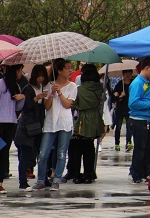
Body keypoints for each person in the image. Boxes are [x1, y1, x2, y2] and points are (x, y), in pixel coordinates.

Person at [34, 58, 76, 190]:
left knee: (61, 153)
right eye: (68, 68)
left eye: (71, 67)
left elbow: (68, 105)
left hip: (65, 123)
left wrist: (60, 92)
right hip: (50, 122)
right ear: (59, 71)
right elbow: (47, 106)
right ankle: (41, 180)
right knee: (43, 154)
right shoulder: (49, 85)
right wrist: (52, 93)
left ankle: (57, 179)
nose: (70, 70)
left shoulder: (73, 86)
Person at [0, 62, 25, 195]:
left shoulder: (16, 86)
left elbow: (17, 107)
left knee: (4, 155)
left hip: (10, 123)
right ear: (15, 70)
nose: (21, 73)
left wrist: (22, 98)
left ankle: (0, 183)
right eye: (20, 70)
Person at [127, 56, 150, 184]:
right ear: (147, 68)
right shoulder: (137, 83)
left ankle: (145, 173)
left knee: (148, 149)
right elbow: (133, 103)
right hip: (139, 120)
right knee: (140, 149)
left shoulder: (148, 83)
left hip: (148, 120)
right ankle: (136, 174)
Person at [72, 64, 106, 183]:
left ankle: (76, 175)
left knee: (77, 148)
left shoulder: (79, 90)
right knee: (89, 147)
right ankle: (88, 174)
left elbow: (74, 104)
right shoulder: (100, 88)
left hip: (82, 120)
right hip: (95, 119)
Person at [17, 65, 47, 190]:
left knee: (41, 152)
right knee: (25, 154)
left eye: (43, 76)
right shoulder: (28, 88)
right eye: (39, 76)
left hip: (39, 126)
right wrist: (36, 98)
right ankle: (22, 181)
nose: (41, 78)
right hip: (27, 126)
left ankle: (43, 178)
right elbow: (25, 107)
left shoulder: (44, 87)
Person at [108, 68, 132, 151]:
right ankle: (117, 143)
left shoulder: (132, 84)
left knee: (129, 127)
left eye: (130, 74)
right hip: (120, 109)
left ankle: (128, 142)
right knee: (118, 127)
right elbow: (114, 98)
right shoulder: (119, 84)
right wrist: (120, 96)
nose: (128, 76)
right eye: (127, 74)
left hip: (129, 109)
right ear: (123, 74)